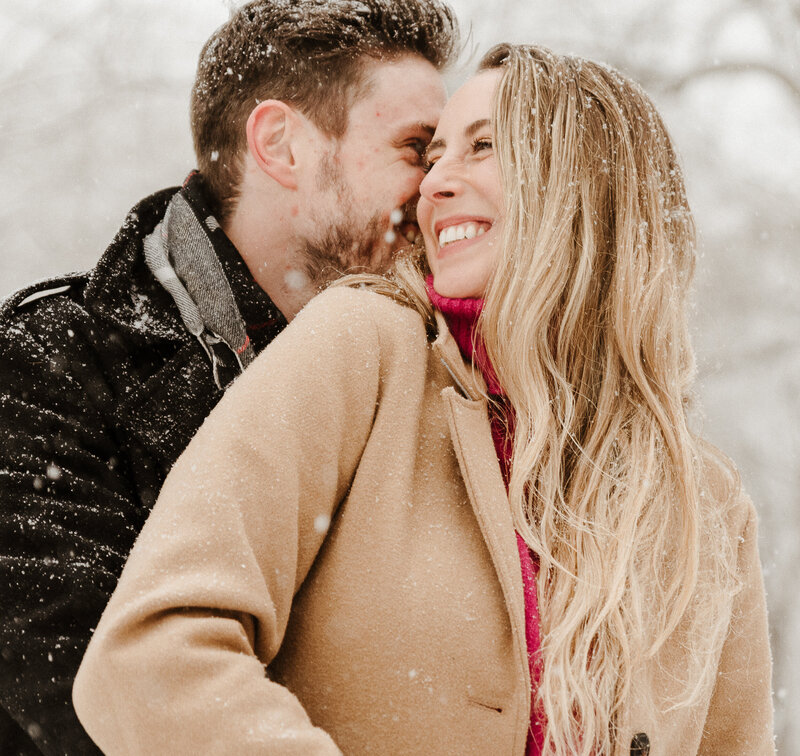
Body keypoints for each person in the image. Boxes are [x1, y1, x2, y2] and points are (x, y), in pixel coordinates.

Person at [72, 44, 774, 755]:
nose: (434, 183)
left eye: (483, 147)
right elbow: (152, 651)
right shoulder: (361, 349)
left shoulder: (705, 504)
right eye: (433, 154)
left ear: (590, 182)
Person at [0, 2, 458, 753]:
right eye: (416, 149)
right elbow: (99, 706)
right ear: (281, 145)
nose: (436, 188)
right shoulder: (41, 370)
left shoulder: (448, 377)